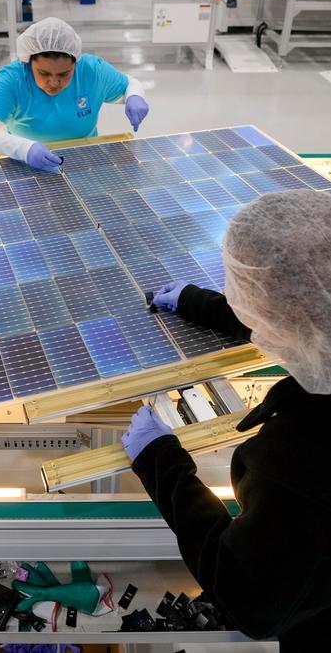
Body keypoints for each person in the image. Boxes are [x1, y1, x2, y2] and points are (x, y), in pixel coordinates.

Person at [122, 189, 331, 652]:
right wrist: (204, 305)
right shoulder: (320, 316)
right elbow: (313, 317)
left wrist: (161, 463)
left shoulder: (303, 459)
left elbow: (250, 600)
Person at [0, 17, 149, 173]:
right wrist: (25, 149)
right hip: (27, 164)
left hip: (86, 160)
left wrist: (135, 96)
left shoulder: (92, 71)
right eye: (44, 73)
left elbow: (130, 83)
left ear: (76, 63)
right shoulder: (13, 79)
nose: (54, 82)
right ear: (28, 62)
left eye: (64, 74)